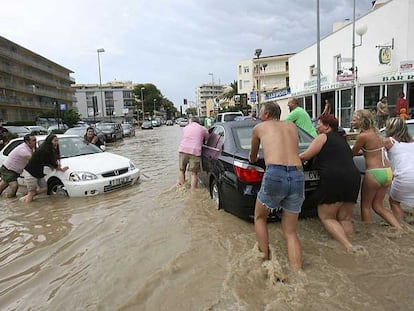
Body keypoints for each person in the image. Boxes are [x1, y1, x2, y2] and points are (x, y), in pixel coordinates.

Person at [250, 101, 304, 269]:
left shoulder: (259, 128)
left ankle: (265, 262)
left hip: (275, 174)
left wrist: (254, 158)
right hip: (297, 175)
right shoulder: (292, 127)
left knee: (259, 217)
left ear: (266, 115)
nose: (259, 114)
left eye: (260, 112)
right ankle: (298, 272)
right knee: (290, 232)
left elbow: (252, 156)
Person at [299, 114, 362, 251]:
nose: (316, 126)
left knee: (327, 217)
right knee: (345, 218)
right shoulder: (342, 139)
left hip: (334, 179)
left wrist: (288, 160)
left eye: (319, 123)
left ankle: (348, 247)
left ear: (327, 126)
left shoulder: (322, 137)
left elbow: (305, 156)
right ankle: (354, 244)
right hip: (354, 178)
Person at [351, 110, 402, 229]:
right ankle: (400, 228)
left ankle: (370, 235)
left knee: (365, 207)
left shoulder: (362, 136)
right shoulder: (377, 133)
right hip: (387, 172)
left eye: (355, 119)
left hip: (374, 173)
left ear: (362, 121)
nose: (352, 122)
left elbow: (351, 153)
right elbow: (370, 151)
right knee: (378, 206)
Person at [20, 134, 68, 203]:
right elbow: (51, 162)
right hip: (31, 173)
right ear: (49, 142)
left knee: (45, 188)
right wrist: (61, 169)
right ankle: (28, 208)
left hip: (39, 172)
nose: (57, 142)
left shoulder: (49, 150)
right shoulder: (45, 150)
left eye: (57, 141)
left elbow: (49, 162)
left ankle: (24, 198)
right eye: (55, 141)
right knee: (31, 193)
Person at [383, 117, 414, 221]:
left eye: (387, 127)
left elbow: (373, 149)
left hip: (404, 176)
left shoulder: (389, 141)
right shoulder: (413, 141)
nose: (385, 129)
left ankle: (400, 226)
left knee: (394, 202)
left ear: (391, 129)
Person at [178, 117, 209, 190]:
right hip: (195, 152)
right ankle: (193, 191)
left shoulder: (185, 128)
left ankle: (182, 188)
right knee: (193, 173)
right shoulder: (203, 128)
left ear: (190, 121)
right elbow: (207, 138)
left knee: (181, 170)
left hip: (183, 150)